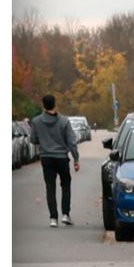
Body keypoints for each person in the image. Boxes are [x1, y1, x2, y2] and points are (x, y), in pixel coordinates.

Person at [30, 95, 84, 224]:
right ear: (55, 104)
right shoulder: (64, 121)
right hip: (61, 158)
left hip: (46, 157)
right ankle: (65, 214)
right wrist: (76, 159)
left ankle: (53, 218)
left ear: (43, 105)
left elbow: (33, 139)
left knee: (50, 186)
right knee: (65, 184)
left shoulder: (36, 121)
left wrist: (44, 141)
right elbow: (71, 142)